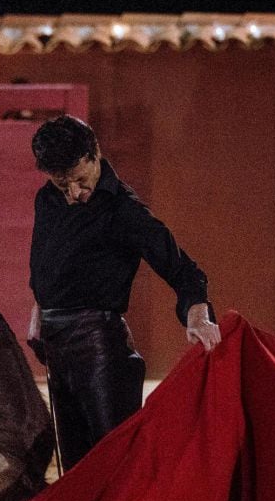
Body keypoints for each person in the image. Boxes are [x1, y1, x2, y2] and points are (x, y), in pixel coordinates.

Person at [27, 115, 221, 471]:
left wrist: (198, 315)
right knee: (76, 471)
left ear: (95, 153)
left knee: (117, 464)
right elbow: (45, 263)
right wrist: (40, 311)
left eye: (80, 181)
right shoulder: (47, 200)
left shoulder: (123, 210)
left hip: (99, 348)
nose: (72, 195)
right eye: (61, 184)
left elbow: (183, 269)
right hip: (55, 348)